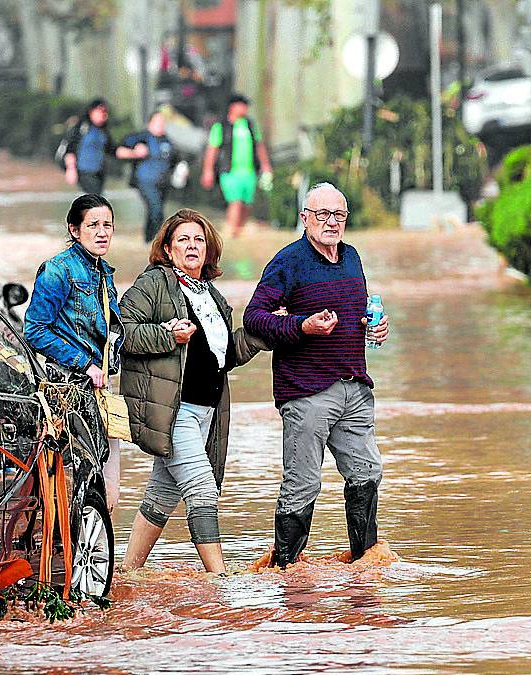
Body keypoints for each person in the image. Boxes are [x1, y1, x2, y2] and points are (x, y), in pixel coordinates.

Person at [242, 183, 390, 569]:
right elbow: (254, 318)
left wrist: (372, 326)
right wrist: (302, 326)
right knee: (302, 484)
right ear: (304, 218)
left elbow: (357, 312)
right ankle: (285, 573)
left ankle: (363, 565)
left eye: (339, 215)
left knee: (367, 472)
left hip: (354, 385)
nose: (331, 222)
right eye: (322, 215)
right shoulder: (288, 261)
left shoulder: (352, 257)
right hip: (306, 391)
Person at [117, 209, 268, 573]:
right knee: (201, 488)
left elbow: (224, 356)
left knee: (162, 493)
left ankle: (126, 574)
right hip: (173, 410)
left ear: (209, 248)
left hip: (207, 412)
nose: (192, 245)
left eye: (198, 239)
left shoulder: (213, 296)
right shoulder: (155, 284)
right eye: (182, 239)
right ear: (167, 250)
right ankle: (219, 579)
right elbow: (121, 331)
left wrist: (265, 331)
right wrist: (167, 336)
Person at [23, 193, 123, 510]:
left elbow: (111, 332)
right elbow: (35, 330)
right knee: (82, 488)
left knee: (109, 491)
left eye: (107, 225)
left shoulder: (104, 272)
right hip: (67, 390)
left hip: (101, 389)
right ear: (74, 229)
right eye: (93, 224)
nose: (102, 232)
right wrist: (84, 364)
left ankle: (102, 557)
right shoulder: (57, 271)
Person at [200, 94, 272, 239]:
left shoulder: (250, 125)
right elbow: (212, 149)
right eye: (241, 105)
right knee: (235, 201)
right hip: (229, 172)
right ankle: (231, 231)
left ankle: (239, 228)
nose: (244, 109)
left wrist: (265, 165)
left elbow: (259, 146)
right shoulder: (221, 126)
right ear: (232, 107)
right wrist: (207, 171)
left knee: (246, 203)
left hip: (249, 171)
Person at [118, 110, 183, 243]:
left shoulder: (167, 140)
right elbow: (120, 150)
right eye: (157, 122)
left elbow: (176, 160)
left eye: (163, 122)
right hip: (145, 182)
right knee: (156, 210)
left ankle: (148, 242)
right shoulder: (141, 137)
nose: (160, 125)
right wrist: (135, 152)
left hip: (163, 184)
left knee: (153, 212)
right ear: (150, 123)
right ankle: (160, 243)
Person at [62, 99, 115, 196]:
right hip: (84, 171)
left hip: (99, 171)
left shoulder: (103, 131)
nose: (103, 115)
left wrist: (134, 152)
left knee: (97, 199)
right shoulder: (81, 128)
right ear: (91, 111)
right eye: (100, 111)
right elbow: (70, 149)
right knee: (96, 198)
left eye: (105, 112)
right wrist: (71, 169)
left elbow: (112, 149)